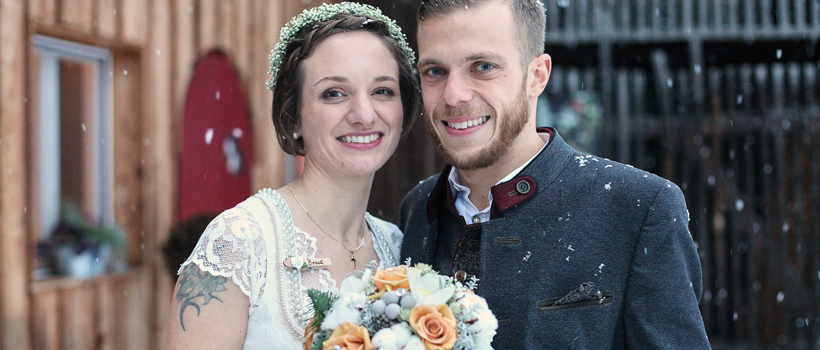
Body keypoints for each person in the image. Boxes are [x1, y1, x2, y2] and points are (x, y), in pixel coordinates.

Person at [398, 0, 711, 348]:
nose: (454, 95)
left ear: (537, 76)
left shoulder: (638, 209)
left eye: (483, 66)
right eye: (435, 71)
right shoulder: (417, 211)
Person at [164, 3, 420, 349]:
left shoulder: (397, 245)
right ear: (294, 116)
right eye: (334, 93)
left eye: (382, 91)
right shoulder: (238, 243)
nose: (364, 113)